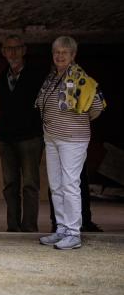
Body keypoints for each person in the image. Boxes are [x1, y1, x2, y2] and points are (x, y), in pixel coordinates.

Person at [36, 36, 106, 250]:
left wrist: (75, 122)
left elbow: (97, 107)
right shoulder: (52, 77)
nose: (59, 56)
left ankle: (74, 233)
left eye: (64, 52)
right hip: (52, 137)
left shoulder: (81, 78)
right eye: (57, 52)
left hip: (73, 139)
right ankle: (62, 229)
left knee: (69, 184)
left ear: (73, 55)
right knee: (56, 185)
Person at [0, 35, 44, 233]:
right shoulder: (2, 76)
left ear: (24, 50)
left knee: (30, 184)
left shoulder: (36, 74)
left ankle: (29, 227)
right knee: (10, 185)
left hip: (30, 137)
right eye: (9, 48)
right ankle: (13, 227)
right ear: (3, 52)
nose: (13, 52)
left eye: (17, 48)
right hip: (6, 138)